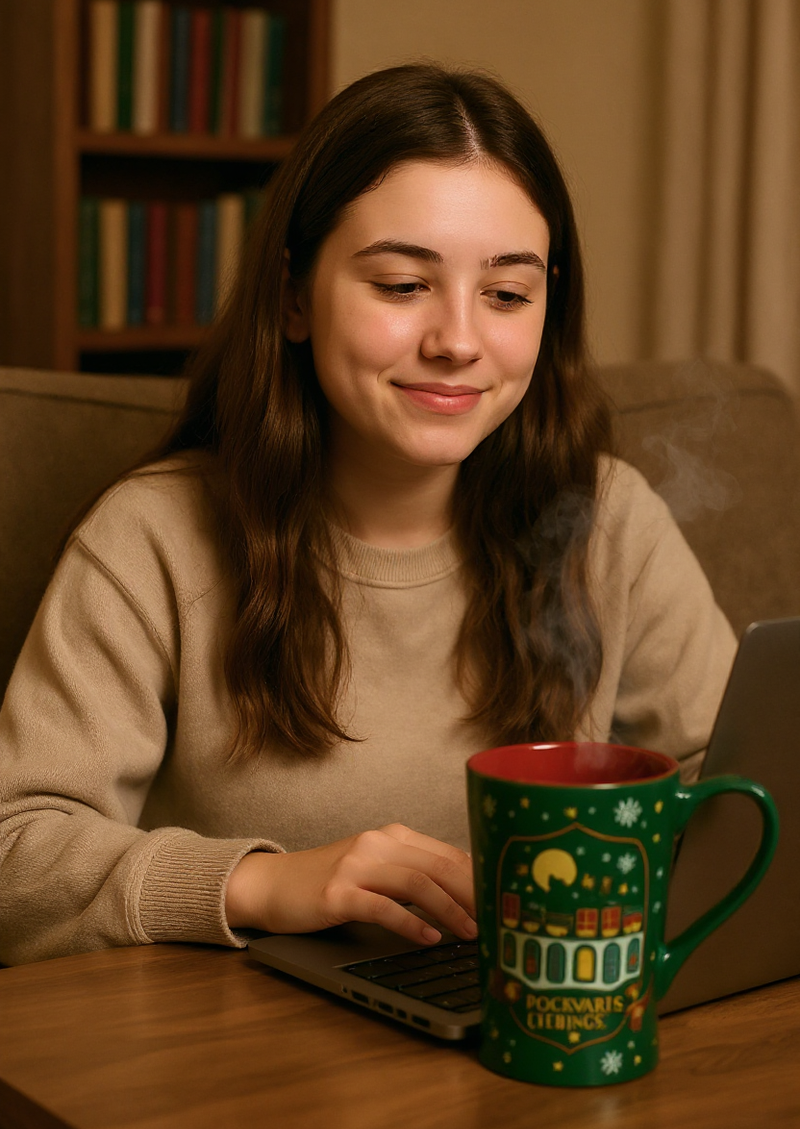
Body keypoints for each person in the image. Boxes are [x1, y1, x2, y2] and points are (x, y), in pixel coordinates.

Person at [0, 64, 736, 966]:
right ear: (295, 296)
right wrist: (267, 883)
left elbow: (741, 795)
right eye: (401, 285)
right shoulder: (153, 537)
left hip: (533, 1029)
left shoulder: (606, 519)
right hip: (238, 1065)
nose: (458, 340)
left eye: (506, 294)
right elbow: (15, 854)